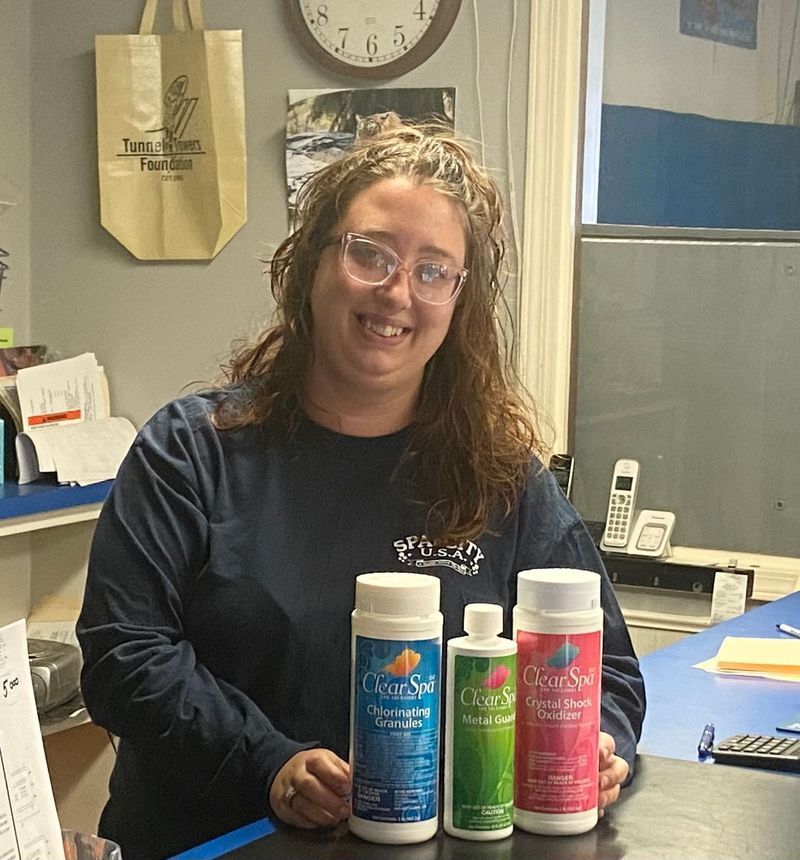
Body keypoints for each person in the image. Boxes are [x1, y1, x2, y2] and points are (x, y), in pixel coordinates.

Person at [77, 123, 645, 859]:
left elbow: (612, 671)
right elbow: (124, 655)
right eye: (369, 253)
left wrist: (597, 746)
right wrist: (269, 763)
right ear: (312, 261)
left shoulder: (500, 478)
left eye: (433, 269)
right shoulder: (192, 452)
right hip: (212, 839)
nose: (397, 292)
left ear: (458, 301)